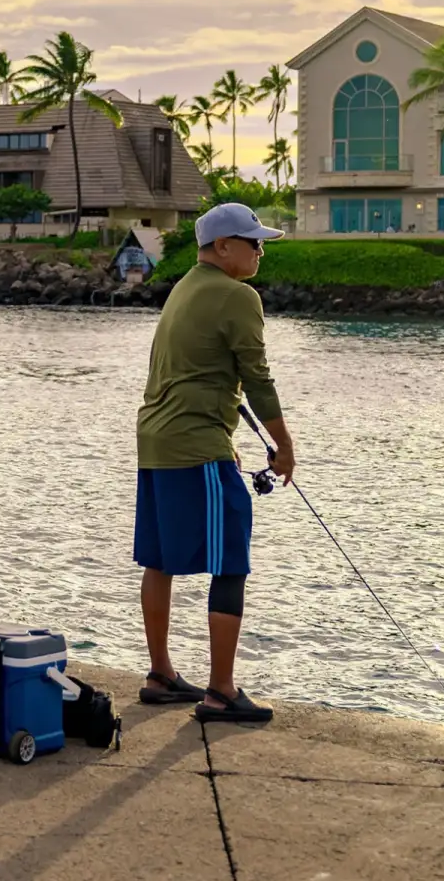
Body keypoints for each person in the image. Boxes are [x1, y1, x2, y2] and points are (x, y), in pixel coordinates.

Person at [134, 203, 295, 724]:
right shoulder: (237, 295)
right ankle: (221, 691)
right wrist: (284, 444)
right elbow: (258, 377)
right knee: (231, 560)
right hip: (194, 445)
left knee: (159, 559)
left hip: (157, 442)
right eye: (253, 242)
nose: (261, 250)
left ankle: (160, 674)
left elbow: (201, 371)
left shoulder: (185, 286)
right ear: (223, 246)